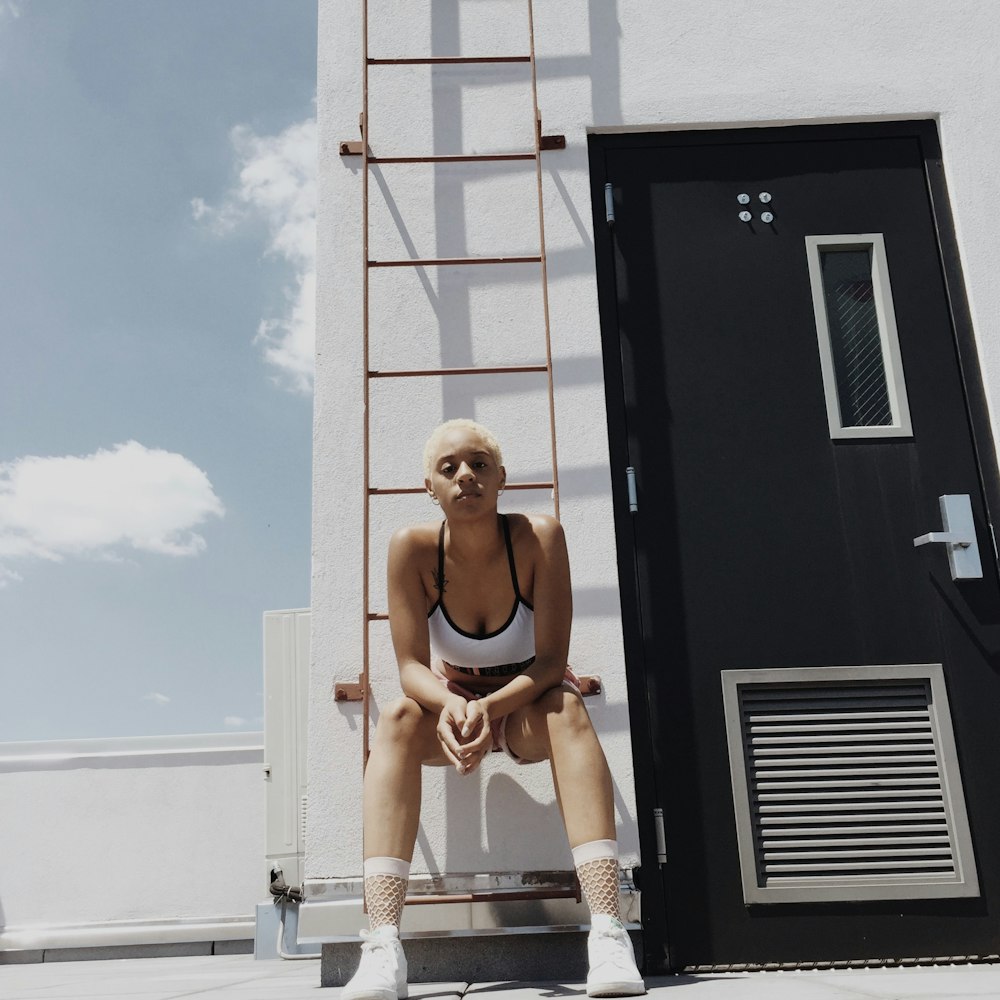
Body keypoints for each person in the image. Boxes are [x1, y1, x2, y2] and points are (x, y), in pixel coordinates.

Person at [343, 418, 646, 1000]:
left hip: (527, 706)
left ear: (502, 478)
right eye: (449, 467)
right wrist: (457, 706)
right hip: (454, 710)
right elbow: (409, 668)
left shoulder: (539, 537)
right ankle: (382, 943)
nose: (466, 477)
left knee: (568, 708)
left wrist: (493, 708)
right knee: (402, 717)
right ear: (428, 486)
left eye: (480, 464)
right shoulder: (411, 550)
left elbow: (553, 659)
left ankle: (608, 930)